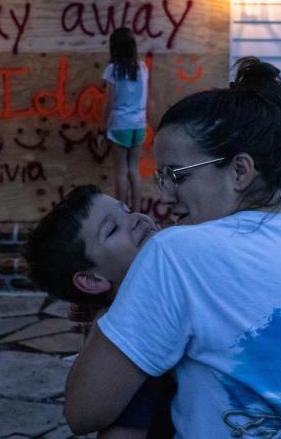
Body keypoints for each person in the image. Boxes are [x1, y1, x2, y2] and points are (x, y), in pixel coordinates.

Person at [65, 58, 281, 438]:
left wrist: (106, 316)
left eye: (176, 176)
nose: (166, 197)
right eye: (161, 178)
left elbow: (82, 412)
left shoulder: (177, 252)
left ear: (239, 171)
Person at [24, 185, 175, 439]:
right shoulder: (132, 332)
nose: (136, 220)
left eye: (127, 210)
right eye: (112, 229)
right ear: (92, 280)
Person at [101, 27, 149, 212]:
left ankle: (121, 213)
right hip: (139, 124)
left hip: (120, 124)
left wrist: (102, 129)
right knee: (134, 170)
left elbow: (109, 102)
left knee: (121, 171)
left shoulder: (113, 69)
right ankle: (137, 213)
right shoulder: (142, 67)